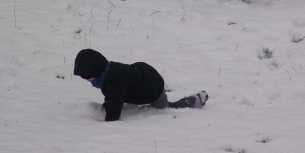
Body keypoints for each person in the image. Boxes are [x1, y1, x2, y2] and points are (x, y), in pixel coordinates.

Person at [73, 48, 208, 122]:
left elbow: (114, 109)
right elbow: (111, 97)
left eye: (88, 78)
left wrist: (107, 120)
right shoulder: (109, 72)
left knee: (166, 108)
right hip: (143, 74)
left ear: (96, 72)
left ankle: (194, 100)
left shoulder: (115, 81)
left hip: (152, 86)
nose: (88, 82)